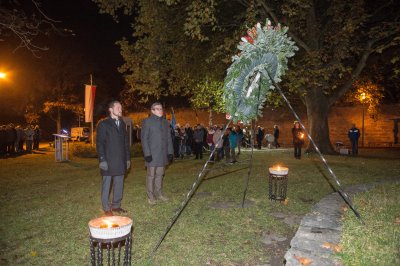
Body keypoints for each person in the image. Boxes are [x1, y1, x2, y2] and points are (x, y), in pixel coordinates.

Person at [96, 100, 131, 216]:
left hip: (120, 160)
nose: (120, 110)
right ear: (111, 109)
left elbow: (125, 143)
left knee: (119, 183)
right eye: (118, 108)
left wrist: (127, 159)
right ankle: (106, 208)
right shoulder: (104, 124)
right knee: (107, 184)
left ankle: (116, 205)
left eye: (121, 108)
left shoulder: (122, 124)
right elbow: (100, 143)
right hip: (108, 160)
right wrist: (102, 159)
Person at [141, 102, 174, 205]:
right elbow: (144, 139)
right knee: (151, 175)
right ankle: (150, 196)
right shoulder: (147, 121)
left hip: (162, 154)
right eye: (158, 109)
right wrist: (147, 154)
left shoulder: (165, 122)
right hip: (152, 154)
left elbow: (169, 138)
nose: (160, 110)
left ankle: (159, 194)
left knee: (160, 174)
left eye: (161, 108)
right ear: (152, 110)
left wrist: (170, 152)